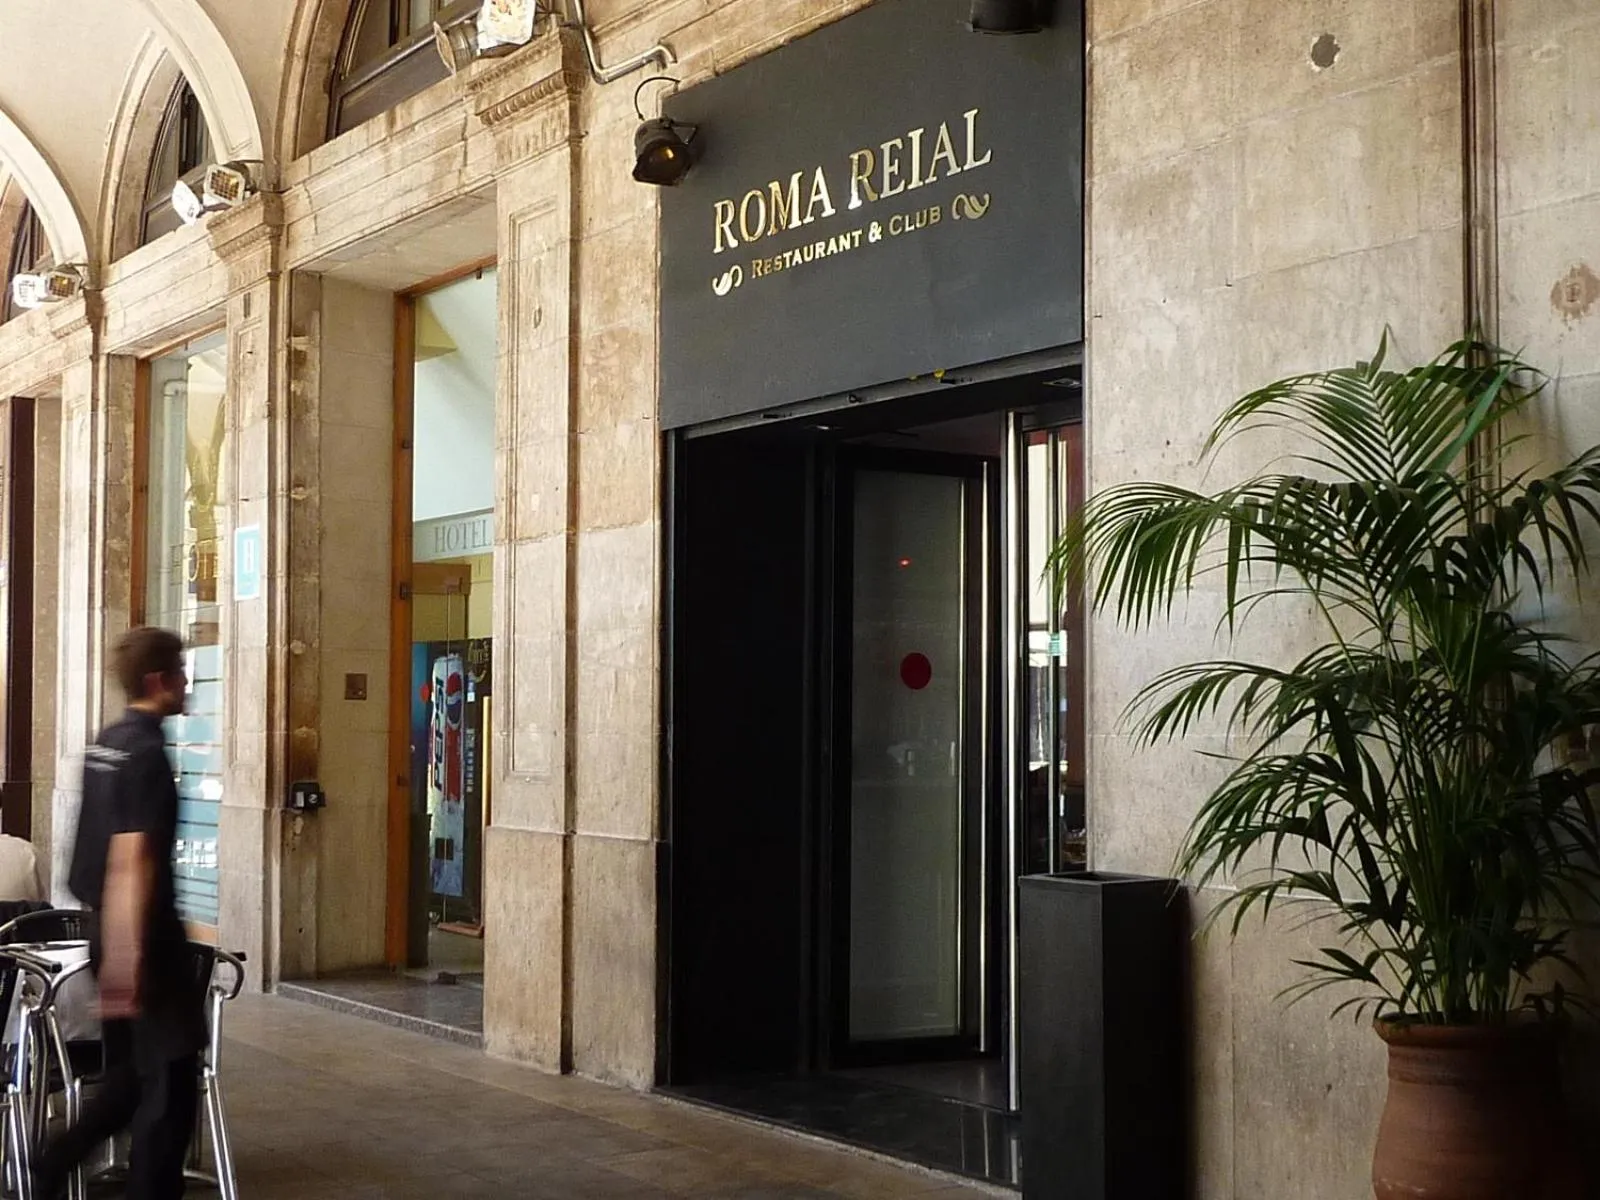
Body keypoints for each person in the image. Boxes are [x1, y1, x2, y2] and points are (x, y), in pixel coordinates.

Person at [34, 627, 205, 1200]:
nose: (187, 683)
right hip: (144, 940)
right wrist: (128, 963)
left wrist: (111, 950)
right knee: (172, 1087)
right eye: (180, 672)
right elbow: (131, 860)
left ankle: (56, 1159)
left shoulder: (105, 744)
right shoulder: (148, 755)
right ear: (159, 681)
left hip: (106, 929)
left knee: (129, 1079)